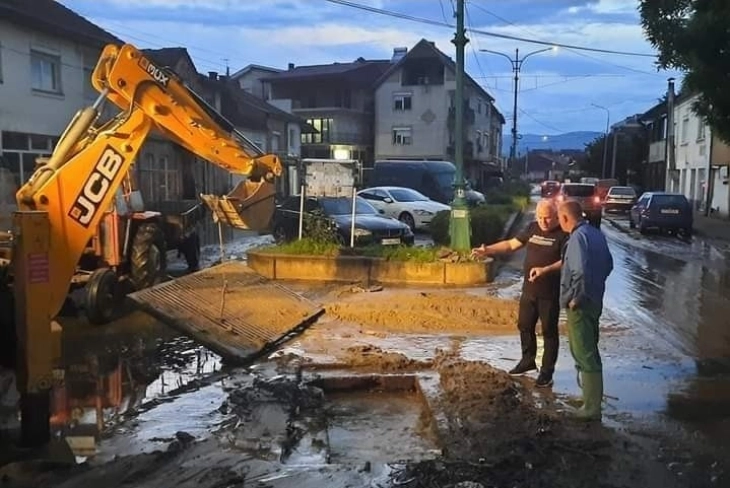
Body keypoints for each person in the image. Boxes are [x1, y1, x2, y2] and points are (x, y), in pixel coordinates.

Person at [471, 199, 568, 387]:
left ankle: (547, 372)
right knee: (524, 325)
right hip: (529, 290)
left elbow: (567, 261)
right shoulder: (532, 228)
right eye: (540, 217)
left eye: (547, 218)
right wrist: (487, 250)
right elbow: (511, 245)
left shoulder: (564, 234)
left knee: (548, 332)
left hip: (550, 292)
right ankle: (527, 360)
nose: (543, 222)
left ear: (556, 216)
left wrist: (545, 269)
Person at [557, 200, 614, 421]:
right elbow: (608, 264)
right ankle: (589, 399)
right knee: (589, 349)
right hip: (595, 300)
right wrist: (595, 285)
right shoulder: (596, 234)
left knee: (584, 352)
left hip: (580, 303)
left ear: (564, 218)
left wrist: (576, 297)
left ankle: (591, 408)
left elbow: (579, 270)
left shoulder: (577, 238)